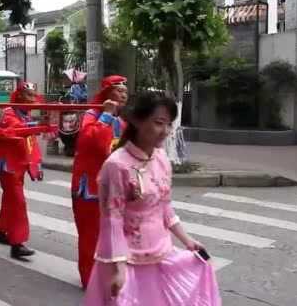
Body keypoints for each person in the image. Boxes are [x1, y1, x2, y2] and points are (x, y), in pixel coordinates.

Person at [83, 91, 221, 306]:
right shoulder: (116, 165)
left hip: (161, 253)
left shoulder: (161, 158)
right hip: (126, 260)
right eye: (159, 123)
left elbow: (164, 206)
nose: (165, 131)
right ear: (137, 120)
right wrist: (118, 268)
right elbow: (112, 220)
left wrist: (187, 240)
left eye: (169, 125)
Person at [71, 75, 129, 288]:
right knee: (90, 235)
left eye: (125, 91)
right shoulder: (92, 115)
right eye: (119, 91)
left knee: (112, 235)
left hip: (113, 188)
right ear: (107, 94)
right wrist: (105, 115)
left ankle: (108, 274)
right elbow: (90, 140)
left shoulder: (121, 121)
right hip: (90, 187)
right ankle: (90, 278)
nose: (124, 94)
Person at [0, 81, 42, 260]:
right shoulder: (9, 113)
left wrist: (36, 164)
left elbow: (31, 142)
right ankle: (16, 244)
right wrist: (39, 125)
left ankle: (3, 232)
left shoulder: (25, 114)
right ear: (19, 96)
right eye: (28, 96)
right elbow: (18, 130)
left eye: (33, 96)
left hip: (19, 164)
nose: (32, 99)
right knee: (17, 202)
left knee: (10, 198)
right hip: (8, 165)